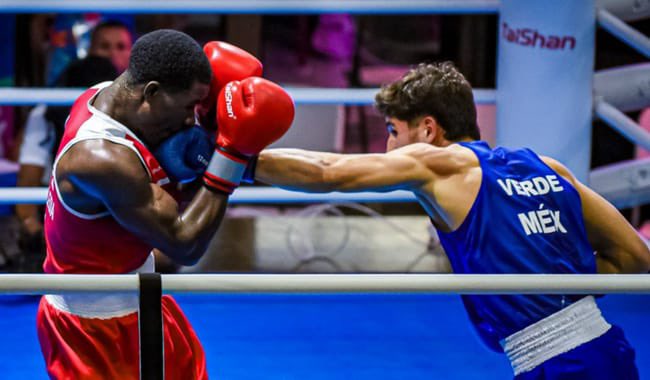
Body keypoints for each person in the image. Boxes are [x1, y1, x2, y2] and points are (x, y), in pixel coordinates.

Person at [250, 62, 650, 379]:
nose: (388, 147)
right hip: (605, 348)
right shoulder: (548, 168)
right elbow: (634, 255)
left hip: (564, 366)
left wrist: (234, 158)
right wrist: (551, 278)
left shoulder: (439, 164)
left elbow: (327, 170)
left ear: (428, 129)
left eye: (393, 131)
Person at [36, 29, 294, 379]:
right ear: (152, 93)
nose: (191, 119)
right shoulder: (100, 158)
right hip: (95, 327)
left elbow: (160, 176)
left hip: (138, 298)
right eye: (189, 107)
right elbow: (184, 245)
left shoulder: (102, 95)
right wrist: (230, 155)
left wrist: (209, 130)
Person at [13, 21, 134, 272]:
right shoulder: (49, 110)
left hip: (123, 228)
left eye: (120, 47)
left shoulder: (143, 115)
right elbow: (26, 186)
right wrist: (36, 234)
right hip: (59, 222)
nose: (112, 54)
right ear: (90, 51)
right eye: (104, 46)